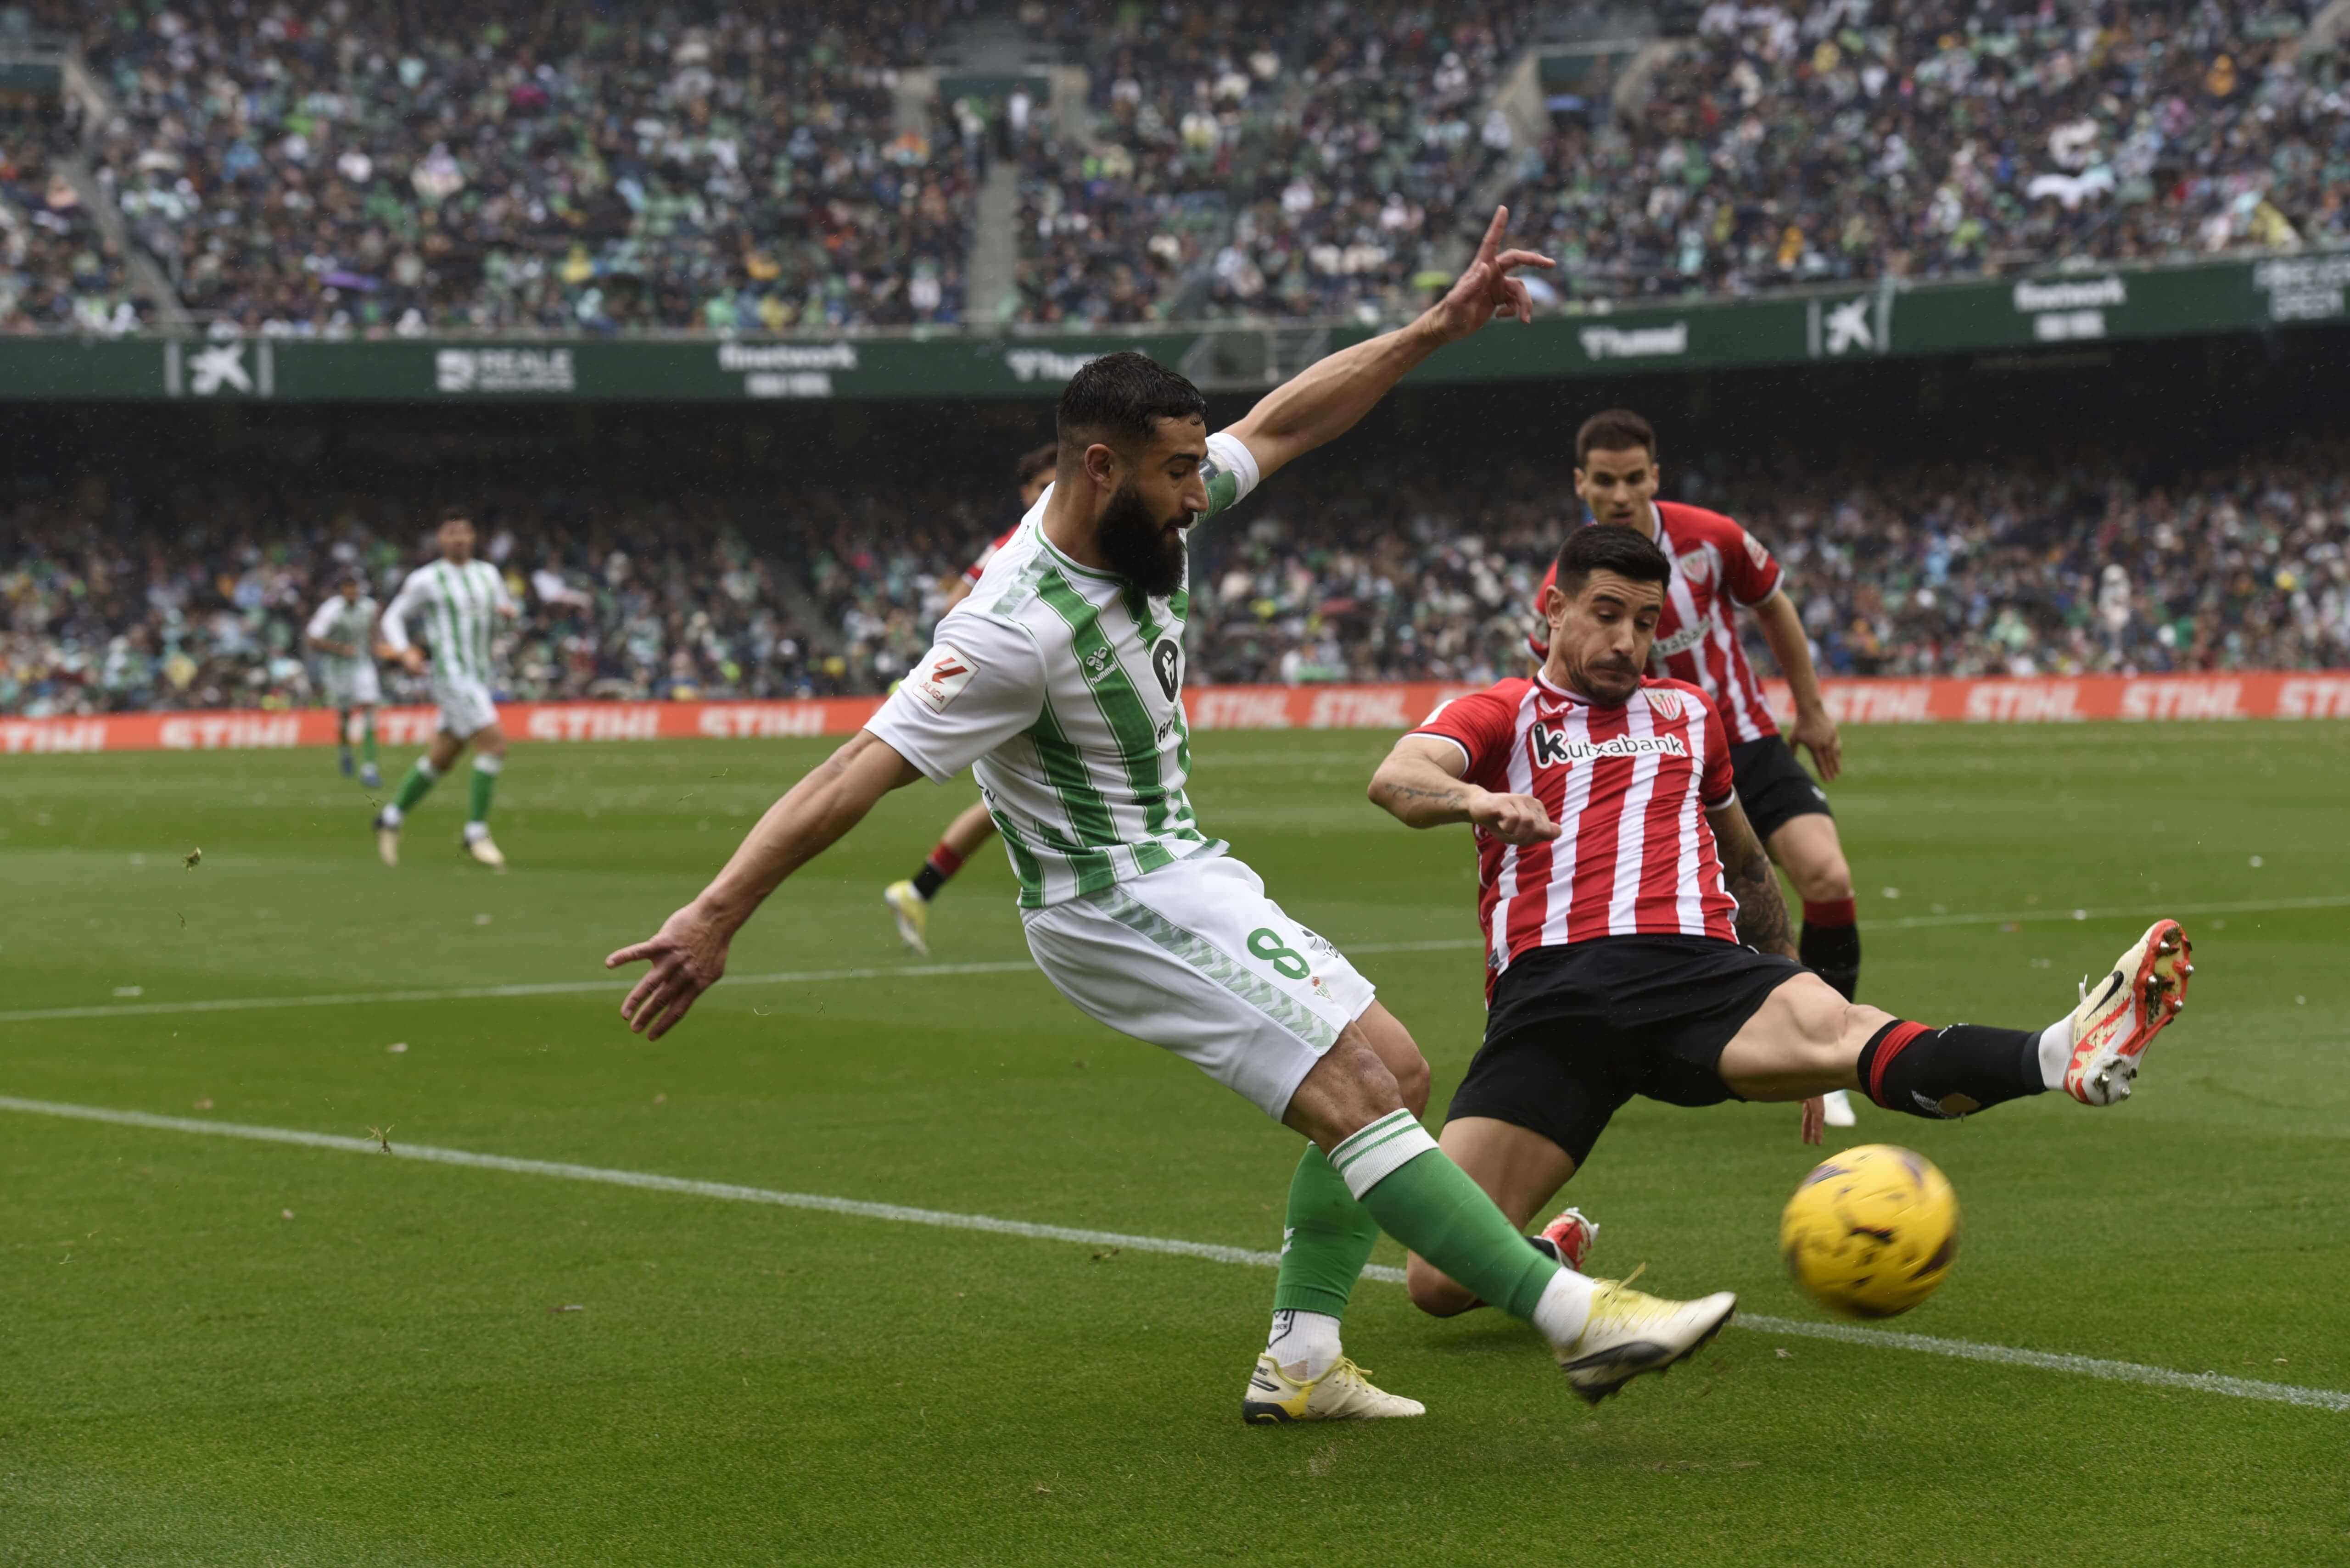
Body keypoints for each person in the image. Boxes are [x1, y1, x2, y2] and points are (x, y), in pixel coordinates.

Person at [607, 209, 1744, 1421]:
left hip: (1180, 864)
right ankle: (1578, 1321)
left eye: (1202, 466)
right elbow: (856, 770)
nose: (1205, 491)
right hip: (1109, 899)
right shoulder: (1011, 630)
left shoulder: (1148, 522)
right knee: (1358, 1094)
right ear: (1102, 468)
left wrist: (1435, 327)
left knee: (1399, 1071)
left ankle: (1301, 1361)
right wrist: (715, 915)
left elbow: (1287, 423)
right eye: (1182, 472)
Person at [1371, 525, 2194, 1317]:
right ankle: (1542, 1256)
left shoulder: (1688, 712)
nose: (1628, 640)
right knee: (1437, 1283)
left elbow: (1746, 860)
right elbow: (1399, 777)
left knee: (1851, 1035)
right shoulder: (1506, 710)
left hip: (1693, 971)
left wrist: (1791, 975)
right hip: (1554, 999)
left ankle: (2061, 1052)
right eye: (1607, 614)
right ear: (1555, 609)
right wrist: (1475, 799)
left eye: (1647, 622)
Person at [1531, 410, 1864, 1127]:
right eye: (1605, 481)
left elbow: (1774, 606)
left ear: (1656, 475)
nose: (1621, 494)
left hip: (1747, 740)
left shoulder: (1711, 538)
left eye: (1634, 478)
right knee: (1711, 919)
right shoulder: (1567, 585)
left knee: (1828, 876)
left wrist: (1810, 709)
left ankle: (1831, 1053)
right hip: (1656, 768)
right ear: (1581, 484)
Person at [883, 442, 1060, 954]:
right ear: (1025, 493)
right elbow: (954, 603)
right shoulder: (1013, 543)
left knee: (1003, 803)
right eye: (1043, 486)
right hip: (1016, 683)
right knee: (1035, 794)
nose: (1053, 494)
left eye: (1059, 484)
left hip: (1041, 682)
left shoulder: (1059, 538)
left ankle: (919, 890)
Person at [373, 507, 517, 870]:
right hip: (451, 676)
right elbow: (393, 616)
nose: (458, 539)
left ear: (473, 536)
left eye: (464, 532)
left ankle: (390, 817)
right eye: (451, 533)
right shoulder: (427, 579)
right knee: (494, 745)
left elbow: (502, 622)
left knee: (444, 756)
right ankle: (475, 832)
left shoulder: (488, 575)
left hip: (479, 675)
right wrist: (404, 650)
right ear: (441, 538)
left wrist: (507, 619)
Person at [306, 569, 383, 789]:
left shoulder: (369, 607)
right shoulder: (330, 610)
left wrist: (378, 647)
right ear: (342, 591)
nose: (351, 593)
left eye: (354, 589)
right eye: (348, 589)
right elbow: (313, 639)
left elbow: (374, 631)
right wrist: (339, 648)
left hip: (362, 663)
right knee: (345, 713)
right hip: (337, 667)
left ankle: (369, 768)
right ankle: (346, 751)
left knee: (369, 707)